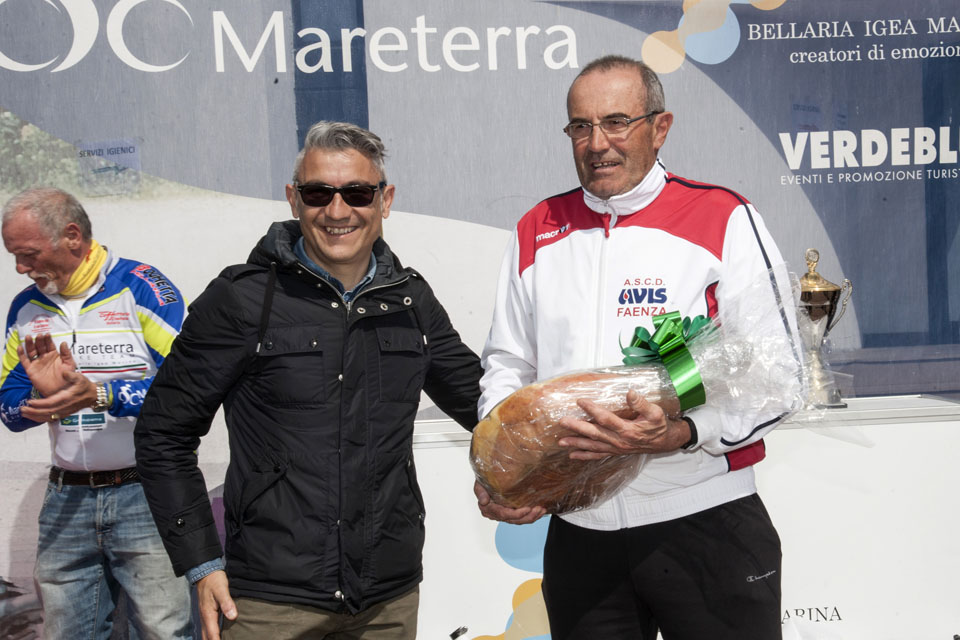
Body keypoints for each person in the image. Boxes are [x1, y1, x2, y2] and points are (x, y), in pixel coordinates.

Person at [475, 55, 801, 639]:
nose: (597, 143)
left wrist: (685, 432)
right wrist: (508, 468)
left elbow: (781, 374)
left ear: (660, 127)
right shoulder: (537, 227)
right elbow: (508, 363)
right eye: (581, 126)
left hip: (705, 517)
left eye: (617, 122)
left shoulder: (723, 216)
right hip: (581, 534)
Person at [134, 120, 483, 640]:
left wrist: (572, 434)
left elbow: (487, 407)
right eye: (319, 193)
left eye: (357, 193)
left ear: (385, 200)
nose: (337, 211)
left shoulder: (412, 301)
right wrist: (201, 564)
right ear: (294, 199)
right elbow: (163, 433)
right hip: (269, 602)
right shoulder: (241, 299)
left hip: (387, 600)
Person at [0, 187, 193, 639]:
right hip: (66, 498)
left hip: (147, 492)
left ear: (72, 236)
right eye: (14, 256)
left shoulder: (143, 289)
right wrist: (41, 400)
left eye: (28, 254)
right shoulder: (25, 307)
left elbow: (187, 389)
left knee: (165, 632)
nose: (20, 268)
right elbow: (9, 410)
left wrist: (101, 395)